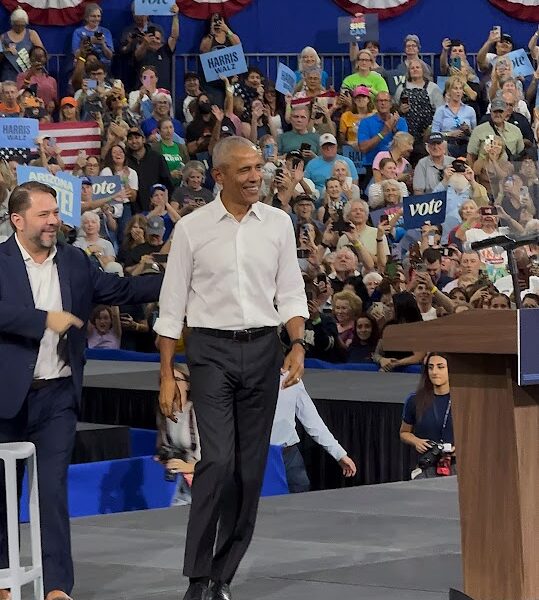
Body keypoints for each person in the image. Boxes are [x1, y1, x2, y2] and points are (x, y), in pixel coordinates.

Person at [154, 136, 308, 600]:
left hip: (264, 349)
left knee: (250, 470)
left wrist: (297, 344)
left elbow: (292, 292)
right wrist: (165, 373)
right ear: (219, 175)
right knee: (217, 460)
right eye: (244, 170)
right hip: (209, 352)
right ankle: (198, 577)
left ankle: (222, 574)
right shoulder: (192, 229)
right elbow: (171, 306)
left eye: (259, 168)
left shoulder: (279, 224)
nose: (255, 177)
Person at [0, 181, 162, 600]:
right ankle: (3, 579)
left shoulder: (74, 261)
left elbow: (122, 291)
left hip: (57, 397)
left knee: (52, 491)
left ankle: (56, 587)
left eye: (55, 212)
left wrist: (175, 278)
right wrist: (42, 320)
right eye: (44, 214)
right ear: (18, 220)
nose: (54, 220)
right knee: (1, 495)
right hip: (6, 399)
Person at [270, 374, 356, 493]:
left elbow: (312, 420)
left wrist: (339, 454)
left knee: (301, 498)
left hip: (289, 454)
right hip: (260, 457)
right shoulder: (249, 377)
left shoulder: (292, 378)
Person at [400, 353, 455, 479]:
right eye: (430, 367)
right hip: (426, 465)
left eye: (440, 367)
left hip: (457, 466)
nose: (434, 372)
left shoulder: (463, 401)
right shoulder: (414, 400)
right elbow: (404, 432)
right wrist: (415, 441)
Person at [358, 92, 408, 181]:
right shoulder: (366, 122)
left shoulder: (401, 122)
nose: (383, 103)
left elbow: (406, 150)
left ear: (391, 104)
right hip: (371, 165)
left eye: (386, 100)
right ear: (375, 104)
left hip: (396, 166)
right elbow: (363, 147)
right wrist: (383, 133)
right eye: (380, 101)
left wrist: (394, 130)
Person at [133, 3, 180, 92]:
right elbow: (137, 56)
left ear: (162, 40)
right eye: (152, 37)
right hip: (144, 91)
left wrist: (175, 16)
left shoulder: (165, 50)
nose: (154, 40)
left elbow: (174, 36)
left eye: (157, 38)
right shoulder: (143, 49)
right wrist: (145, 43)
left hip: (163, 93)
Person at [125, 126, 173, 212]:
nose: (134, 141)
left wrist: (165, 203)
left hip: (155, 207)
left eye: (137, 137)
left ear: (143, 139)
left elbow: (167, 182)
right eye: (130, 139)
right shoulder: (125, 160)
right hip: (133, 208)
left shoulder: (157, 157)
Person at [467, 98, 524, 166]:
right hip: (485, 171)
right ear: (490, 112)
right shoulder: (478, 130)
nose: (498, 114)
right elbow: (471, 155)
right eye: (495, 112)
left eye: (500, 111)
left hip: (509, 170)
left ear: (506, 112)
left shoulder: (516, 130)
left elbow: (521, 154)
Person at [431, 76, 476, 158]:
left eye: (460, 89)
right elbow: (434, 133)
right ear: (448, 91)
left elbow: (475, 133)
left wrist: (468, 131)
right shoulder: (441, 111)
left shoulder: (470, 110)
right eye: (455, 88)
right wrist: (449, 134)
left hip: (466, 146)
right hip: (447, 146)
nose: (458, 91)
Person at [0, 8, 45, 82]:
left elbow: (41, 53)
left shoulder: (32, 34)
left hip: (28, 73)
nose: (20, 28)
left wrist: (34, 58)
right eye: (17, 25)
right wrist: (5, 51)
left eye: (22, 25)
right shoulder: (3, 37)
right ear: (12, 23)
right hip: (9, 74)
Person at [71, 2, 114, 67]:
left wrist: (103, 44)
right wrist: (89, 41)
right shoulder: (78, 32)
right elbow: (76, 55)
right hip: (85, 66)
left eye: (98, 16)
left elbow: (110, 56)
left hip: (103, 66)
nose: (96, 19)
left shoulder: (106, 32)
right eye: (93, 16)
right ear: (86, 18)